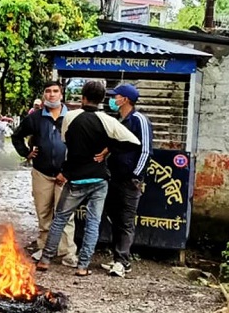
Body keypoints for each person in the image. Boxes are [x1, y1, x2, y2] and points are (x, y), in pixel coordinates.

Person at [37, 81, 141, 276]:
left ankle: (45, 259)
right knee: (93, 223)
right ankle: (83, 266)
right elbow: (133, 142)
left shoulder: (70, 117)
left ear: (82, 97)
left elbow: (66, 141)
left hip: (75, 178)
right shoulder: (108, 120)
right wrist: (108, 148)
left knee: (59, 219)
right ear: (102, 100)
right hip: (99, 180)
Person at [11, 81, 78, 268]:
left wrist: (68, 171)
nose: (51, 95)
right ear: (43, 95)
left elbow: (80, 145)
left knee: (66, 214)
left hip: (65, 175)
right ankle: (45, 247)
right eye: (48, 91)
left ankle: (67, 252)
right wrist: (26, 153)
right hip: (42, 173)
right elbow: (17, 136)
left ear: (62, 95)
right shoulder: (36, 118)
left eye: (55, 91)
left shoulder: (72, 117)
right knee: (44, 213)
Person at [101, 84, 153, 277]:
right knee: (114, 217)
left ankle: (122, 262)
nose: (114, 100)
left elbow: (146, 150)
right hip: (114, 177)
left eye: (117, 96)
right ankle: (119, 259)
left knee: (126, 220)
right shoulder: (119, 120)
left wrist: (135, 176)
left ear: (126, 99)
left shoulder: (140, 120)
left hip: (129, 181)